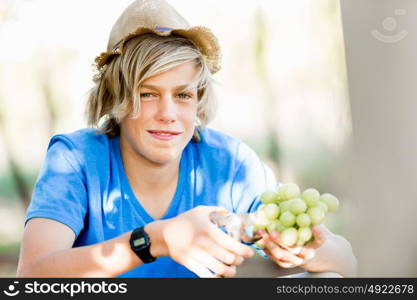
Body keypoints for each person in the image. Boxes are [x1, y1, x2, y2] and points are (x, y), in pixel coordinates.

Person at [16, 0, 357, 278]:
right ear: (117, 98)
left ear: (199, 98)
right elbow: (32, 277)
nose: (168, 113)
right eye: (147, 94)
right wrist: (156, 239)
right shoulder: (75, 160)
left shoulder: (230, 162)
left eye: (182, 95)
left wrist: (304, 251)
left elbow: (346, 262)